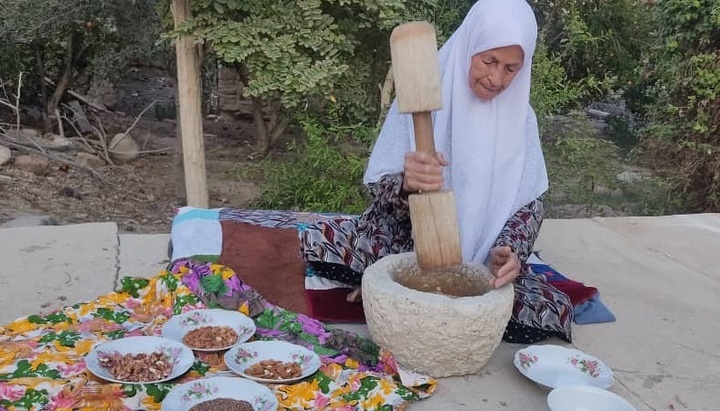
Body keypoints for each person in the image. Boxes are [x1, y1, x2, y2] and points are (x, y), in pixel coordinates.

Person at [301, 0, 573, 344]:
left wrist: (510, 250)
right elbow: (380, 195)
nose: (496, 78)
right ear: (470, 46)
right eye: (489, 61)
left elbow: (529, 204)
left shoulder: (523, 119)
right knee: (323, 238)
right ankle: (395, 287)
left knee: (554, 308)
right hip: (405, 243)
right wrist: (406, 184)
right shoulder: (419, 96)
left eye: (510, 68)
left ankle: (403, 296)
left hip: (481, 261)